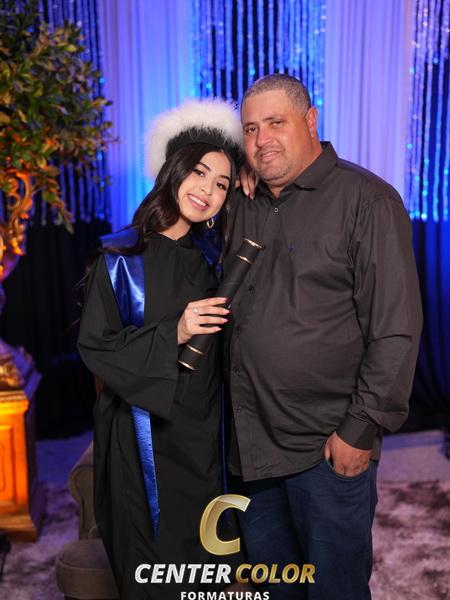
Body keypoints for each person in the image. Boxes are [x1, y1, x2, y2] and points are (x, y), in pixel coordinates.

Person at [224, 74, 423, 600]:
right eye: (250, 129)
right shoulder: (240, 199)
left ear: (311, 120)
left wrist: (360, 429)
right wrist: (232, 161)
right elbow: (180, 175)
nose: (262, 138)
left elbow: (396, 328)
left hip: (326, 446)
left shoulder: (367, 200)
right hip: (251, 441)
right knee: (273, 588)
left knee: (335, 589)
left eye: (276, 123)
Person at [77, 99, 244, 600]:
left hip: (205, 439)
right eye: (199, 172)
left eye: (222, 184)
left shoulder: (215, 260)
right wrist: (176, 330)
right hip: (143, 440)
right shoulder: (120, 257)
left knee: (209, 569)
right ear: (173, 169)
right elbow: (97, 346)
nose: (208, 191)